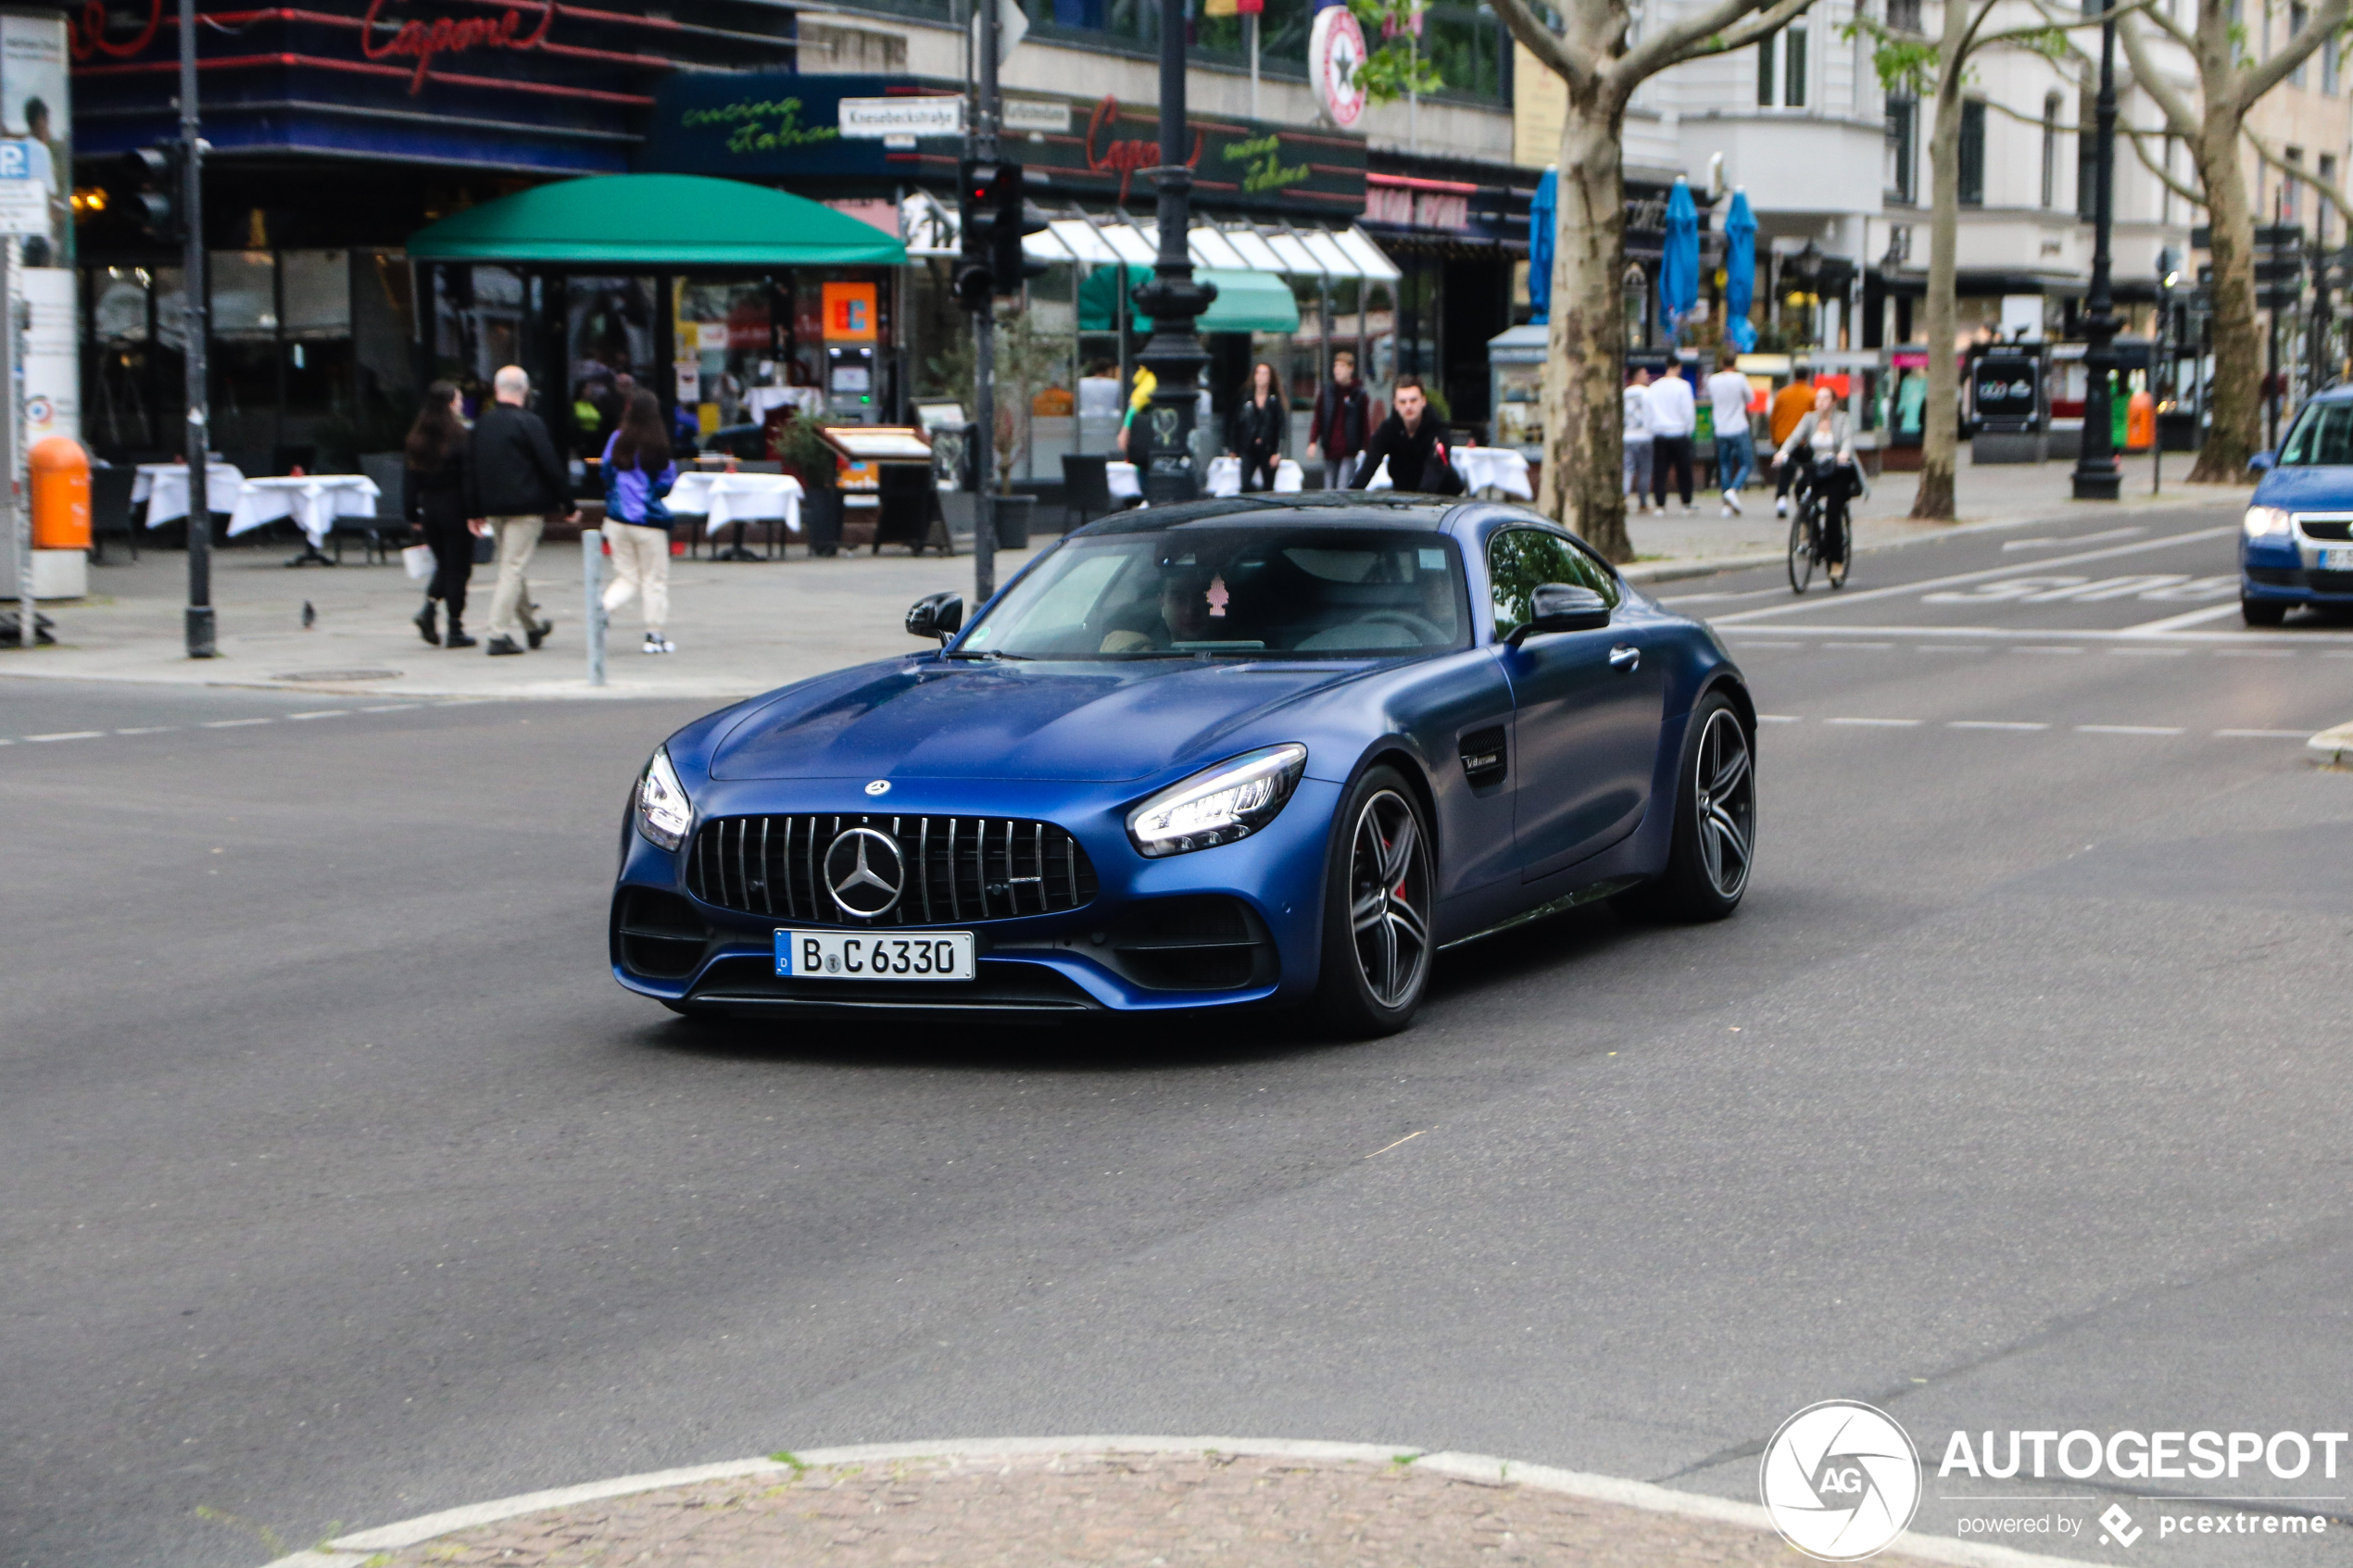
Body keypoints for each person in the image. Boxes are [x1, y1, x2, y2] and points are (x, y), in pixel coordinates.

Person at [465, 365, 574, 658]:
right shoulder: (529, 422)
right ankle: (497, 633)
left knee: (511, 566)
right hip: (526, 508)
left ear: (496, 389)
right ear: (524, 391)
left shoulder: (482, 424)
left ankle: (532, 626)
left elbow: (471, 469)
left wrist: (473, 509)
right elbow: (549, 465)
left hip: (494, 508)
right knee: (513, 569)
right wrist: (568, 503)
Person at [600, 388, 681, 655]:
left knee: (627, 576)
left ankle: (603, 609)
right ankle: (654, 635)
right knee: (654, 579)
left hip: (617, 520)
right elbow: (667, 482)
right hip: (648, 522)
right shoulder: (657, 442)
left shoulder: (617, 438)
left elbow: (605, 471)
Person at [404, 381, 475, 649]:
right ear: (449, 404)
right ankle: (454, 626)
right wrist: (474, 511)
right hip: (455, 506)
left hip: (430, 507)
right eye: (458, 400)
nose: (461, 404)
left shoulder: (417, 437)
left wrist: (411, 511)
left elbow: (410, 478)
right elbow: (468, 477)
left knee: (444, 564)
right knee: (458, 568)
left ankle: (429, 610)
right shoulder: (459, 436)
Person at [1769, 385, 1860, 564]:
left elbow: (1848, 439)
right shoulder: (1809, 419)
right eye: (1818, 398)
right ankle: (1810, 528)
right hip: (1817, 468)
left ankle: (1836, 560)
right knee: (1800, 489)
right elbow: (1795, 437)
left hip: (1838, 470)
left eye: (1826, 398)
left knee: (1833, 513)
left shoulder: (1843, 419)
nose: (1821, 402)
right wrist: (1783, 452)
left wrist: (1843, 454)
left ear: (1834, 402)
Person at [1349, 375, 1466, 495]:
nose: (1408, 406)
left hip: (1444, 494)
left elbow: (1435, 468)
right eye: (1403, 402)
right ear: (1395, 405)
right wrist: (1352, 494)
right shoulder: (1387, 429)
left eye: (1413, 400)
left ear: (1423, 401)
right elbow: (1369, 464)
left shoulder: (1438, 429)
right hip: (1404, 492)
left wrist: (1420, 501)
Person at [1307, 350, 1370, 490]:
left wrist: (1368, 448)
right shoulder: (1327, 392)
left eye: (1342, 366)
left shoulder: (1359, 394)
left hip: (1349, 449)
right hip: (1330, 448)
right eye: (1336, 367)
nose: (1337, 370)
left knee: (1343, 488)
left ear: (1351, 368)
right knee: (1329, 488)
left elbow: (1365, 424)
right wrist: (1313, 441)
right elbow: (1318, 418)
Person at [1705, 348, 1755, 515]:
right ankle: (1733, 490)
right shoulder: (1739, 379)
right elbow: (1751, 398)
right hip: (1738, 426)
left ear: (1721, 364)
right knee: (1747, 463)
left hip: (1720, 428)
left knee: (1724, 464)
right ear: (1735, 364)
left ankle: (1726, 504)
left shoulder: (1713, 380)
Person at [1643, 364, 1697, 513]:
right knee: (1684, 470)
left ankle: (1660, 504)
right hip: (1679, 432)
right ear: (1678, 367)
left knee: (1660, 470)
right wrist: (1689, 429)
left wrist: (1650, 428)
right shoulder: (1683, 386)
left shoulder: (1654, 387)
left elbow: (1648, 410)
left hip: (1660, 432)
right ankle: (1685, 502)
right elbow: (1687, 409)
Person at [1228, 361, 1286, 492]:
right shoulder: (1245, 399)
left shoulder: (1274, 401)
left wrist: (1277, 452)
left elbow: (1281, 427)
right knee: (1245, 484)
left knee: (1268, 486)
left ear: (1270, 378)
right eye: (1258, 373)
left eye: (1265, 374)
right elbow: (1236, 423)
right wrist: (1233, 447)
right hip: (1248, 447)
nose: (1261, 377)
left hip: (1268, 448)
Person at [1770, 362, 1818, 517]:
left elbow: (1774, 417)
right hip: (1804, 442)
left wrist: (1774, 437)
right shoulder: (1812, 395)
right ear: (1808, 376)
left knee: (1786, 471)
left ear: (1794, 376)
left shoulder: (1782, 394)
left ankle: (1781, 499)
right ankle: (1806, 498)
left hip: (1784, 439)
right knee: (1809, 470)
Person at [1622, 367, 1655, 514]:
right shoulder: (1648, 393)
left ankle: (1623, 500)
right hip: (1645, 437)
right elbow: (1653, 415)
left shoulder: (1624, 393)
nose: (1647, 376)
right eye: (1644, 374)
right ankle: (1643, 503)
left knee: (1627, 470)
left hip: (1628, 436)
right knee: (1645, 472)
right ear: (1637, 376)